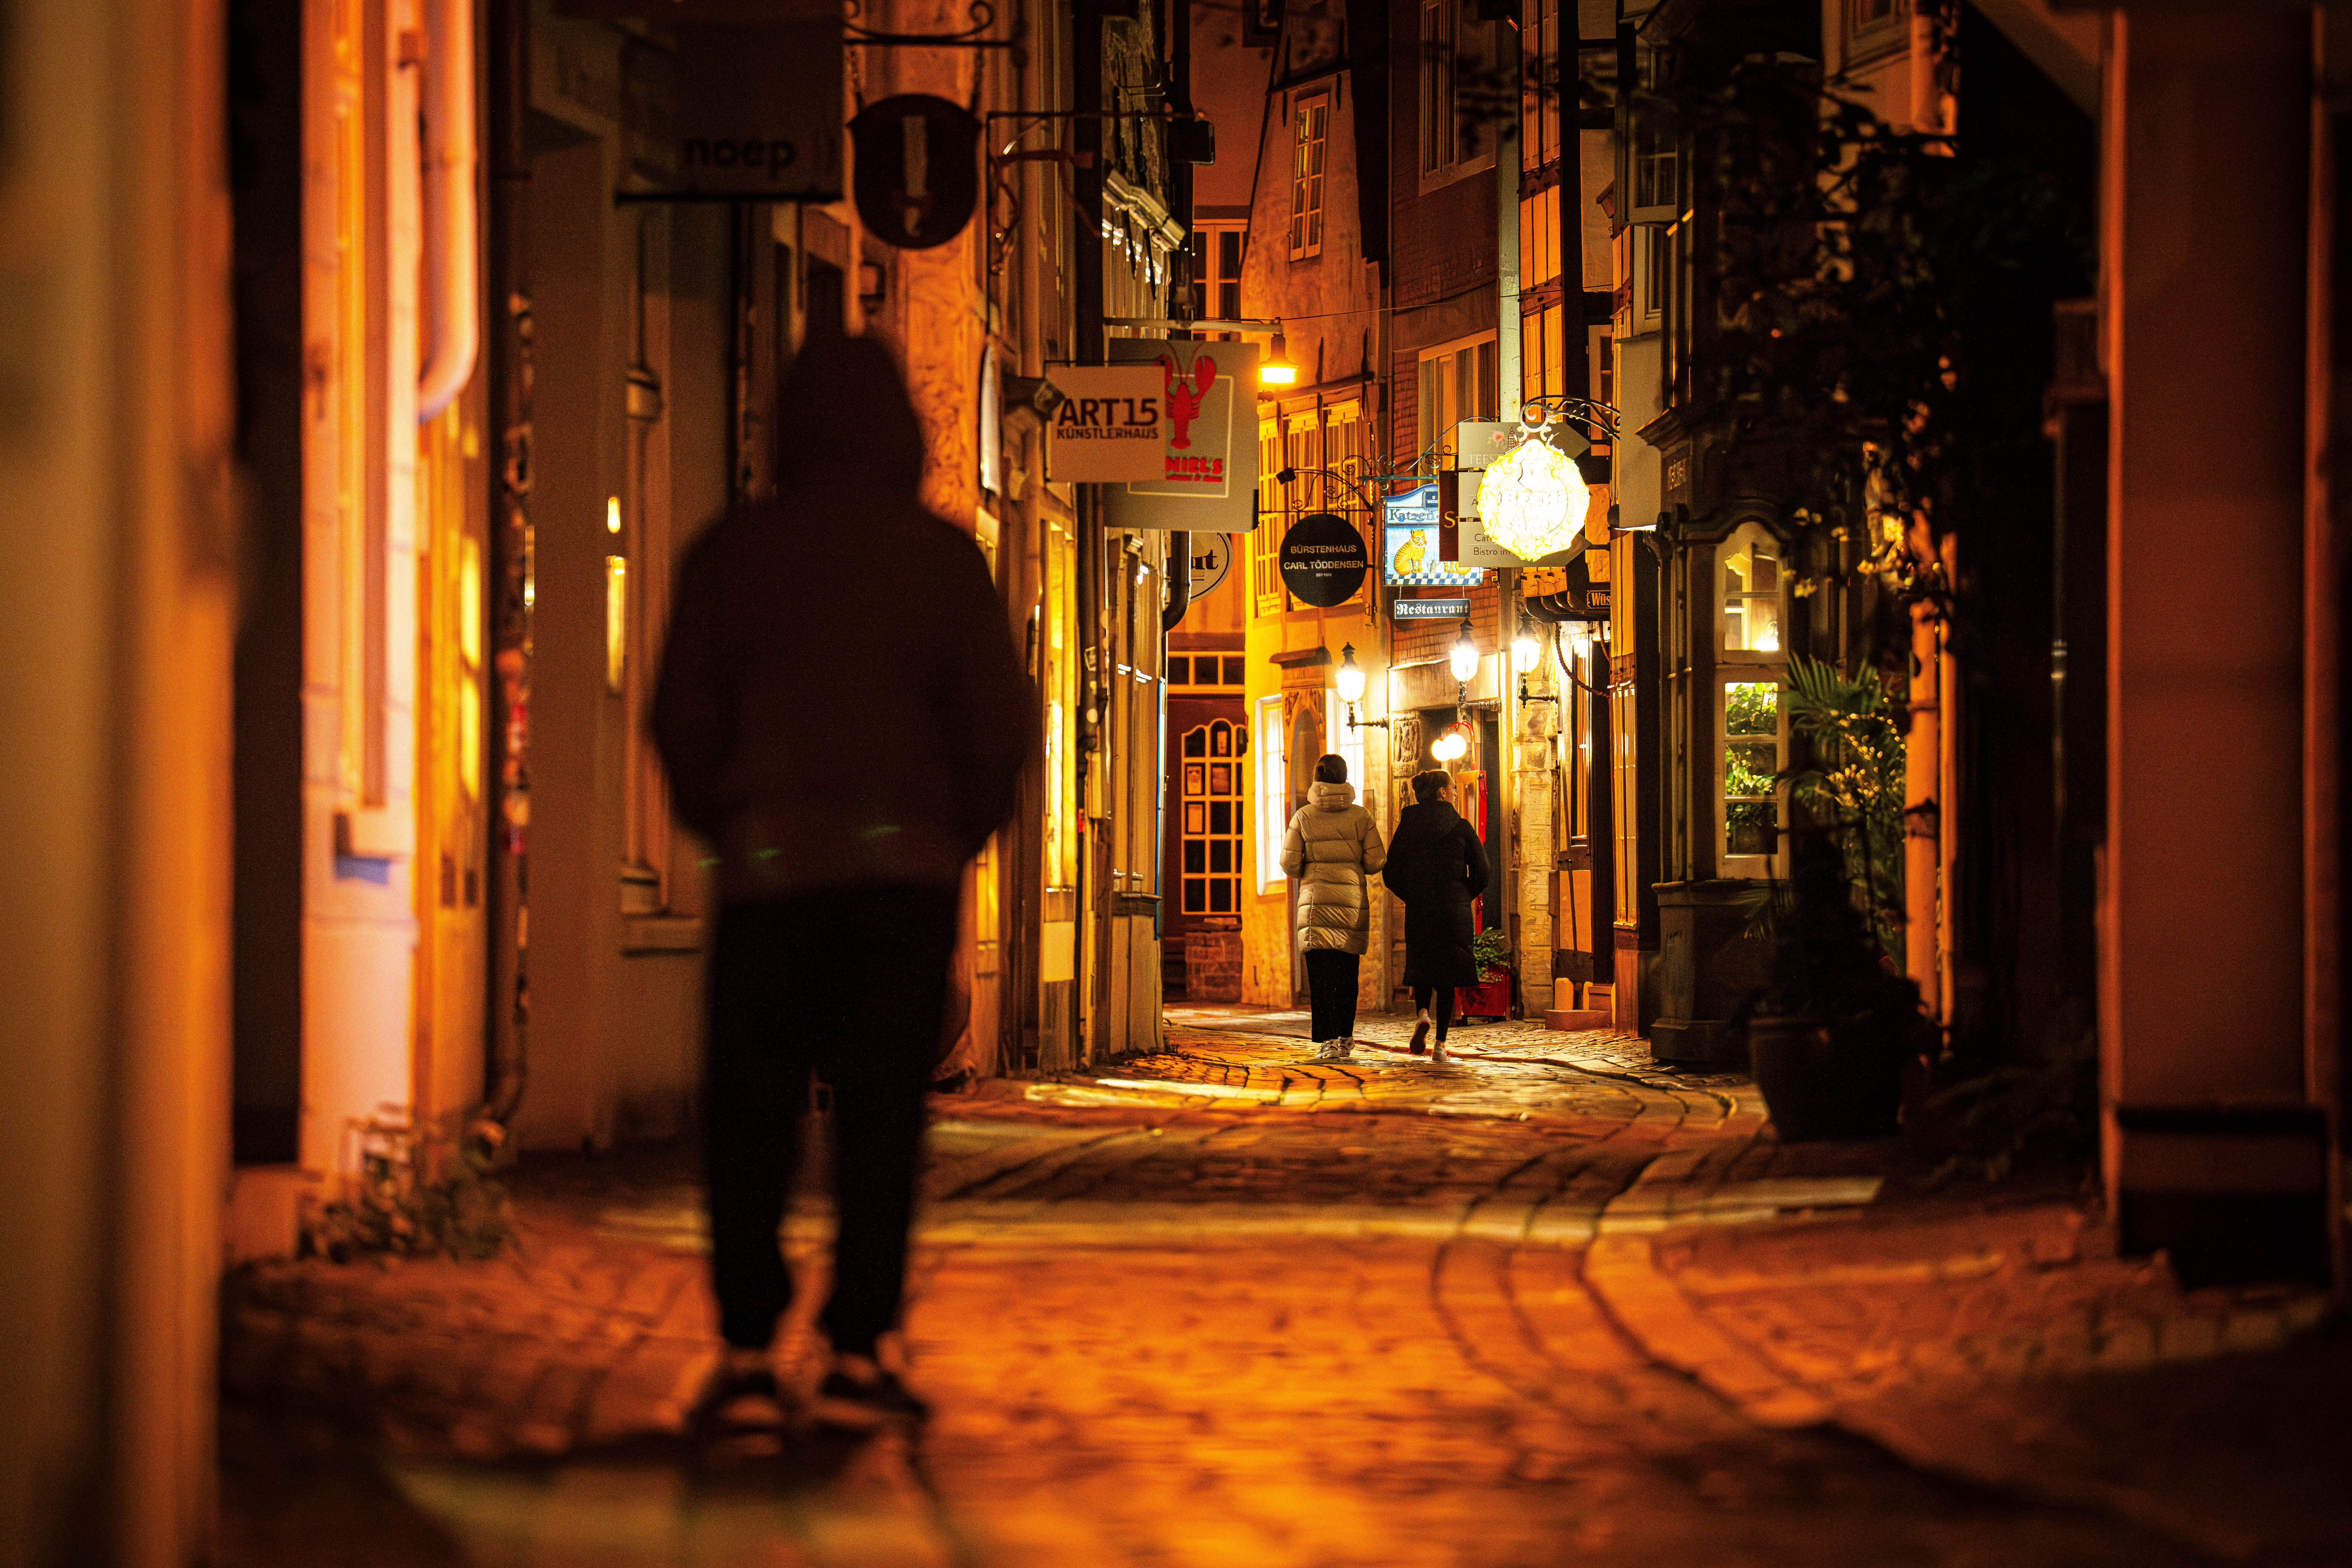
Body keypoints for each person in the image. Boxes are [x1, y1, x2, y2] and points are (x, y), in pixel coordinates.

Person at [652, 335, 1031, 1429]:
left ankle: (744, 1334)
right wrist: (946, 836)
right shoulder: (940, 561)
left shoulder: (735, 553)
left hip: (769, 876)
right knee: (879, 1120)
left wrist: (730, 822)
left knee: (750, 1115)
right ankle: (861, 1338)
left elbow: (682, 709)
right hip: (900, 883)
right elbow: (998, 724)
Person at [1280, 753, 1386, 1061]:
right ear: (1345, 777)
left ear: (1317, 778)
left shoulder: (1303, 817)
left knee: (1320, 976)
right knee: (1346, 973)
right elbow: (1376, 860)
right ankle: (1345, 1035)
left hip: (1315, 905)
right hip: (1351, 903)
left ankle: (1326, 1039)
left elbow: (1289, 863)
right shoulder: (1362, 817)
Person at [1382, 769, 1489, 1064]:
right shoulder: (1461, 827)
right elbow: (1483, 873)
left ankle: (1422, 1014)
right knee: (1447, 976)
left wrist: (1413, 894)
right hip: (1453, 910)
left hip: (1420, 908)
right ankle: (1440, 1046)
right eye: (1452, 787)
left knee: (1422, 967)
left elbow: (1390, 873)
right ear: (1442, 792)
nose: (1455, 791)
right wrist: (1460, 894)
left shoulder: (1408, 826)